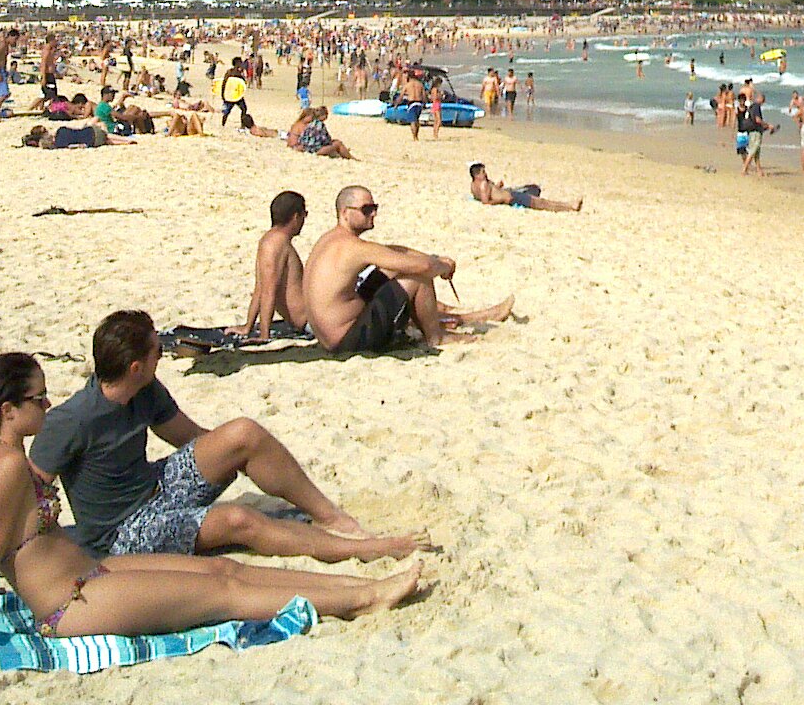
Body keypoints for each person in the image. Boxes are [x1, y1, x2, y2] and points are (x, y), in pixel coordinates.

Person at [0, 353, 421, 667]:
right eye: (38, 399)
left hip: (94, 573)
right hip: (70, 605)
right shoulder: (8, 467)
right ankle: (364, 598)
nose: (48, 405)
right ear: (8, 410)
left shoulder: (6, 458)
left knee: (225, 569)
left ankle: (359, 586)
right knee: (222, 595)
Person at [33, 309, 418, 566]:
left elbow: (192, 438)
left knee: (243, 433)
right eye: (156, 352)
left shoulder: (144, 389)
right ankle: (361, 549)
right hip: (122, 534)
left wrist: (241, 458)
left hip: (155, 488)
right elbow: (31, 490)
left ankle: (331, 517)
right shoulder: (71, 420)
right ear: (135, 367)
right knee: (238, 519)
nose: (162, 356)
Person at [304, 185, 511, 353]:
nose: (373, 214)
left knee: (392, 270)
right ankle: (436, 337)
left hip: (330, 336)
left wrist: (433, 258)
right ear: (345, 213)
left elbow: (393, 251)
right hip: (348, 340)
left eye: (375, 208)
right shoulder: (354, 247)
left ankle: (456, 318)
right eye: (366, 210)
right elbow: (424, 267)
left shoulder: (331, 239)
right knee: (418, 275)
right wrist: (442, 266)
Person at [246, 191, 311, 336]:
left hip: (311, 320)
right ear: (296, 217)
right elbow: (269, 291)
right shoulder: (276, 243)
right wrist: (264, 334)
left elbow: (260, 288)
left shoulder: (269, 240)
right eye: (304, 215)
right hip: (312, 323)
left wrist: (248, 326)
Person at [470, 162, 581, 212]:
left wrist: (497, 187)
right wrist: (503, 199)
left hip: (509, 194)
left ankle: (569, 205)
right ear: (477, 175)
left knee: (534, 193)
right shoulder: (484, 184)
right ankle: (570, 206)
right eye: (483, 172)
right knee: (541, 203)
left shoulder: (474, 185)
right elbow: (486, 202)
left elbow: (486, 194)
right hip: (512, 197)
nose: (485, 174)